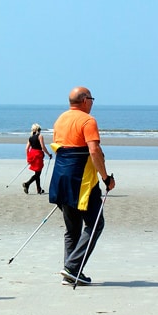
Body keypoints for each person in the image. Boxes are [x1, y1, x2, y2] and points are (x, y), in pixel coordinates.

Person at [49, 86, 115, 286]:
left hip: (60, 178)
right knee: (96, 223)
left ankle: (70, 271)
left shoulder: (61, 119)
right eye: (92, 98)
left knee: (72, 229)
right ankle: (73, 267)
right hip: (81, 180)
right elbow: (93, 150)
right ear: (85, 100)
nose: (93, 102)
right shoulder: (88, 120)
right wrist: (105, 178)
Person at [22, 123, 52, 194]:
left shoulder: (30, 137)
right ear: (38, 130)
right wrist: (49, 154)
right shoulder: (40, 136)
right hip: (38, 155)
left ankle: (39, 189)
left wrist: (28, 158)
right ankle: (27, 184)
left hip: (32, 154)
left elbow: (26, 149)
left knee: (37, 172)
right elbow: (43, 147)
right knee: (38, 174)